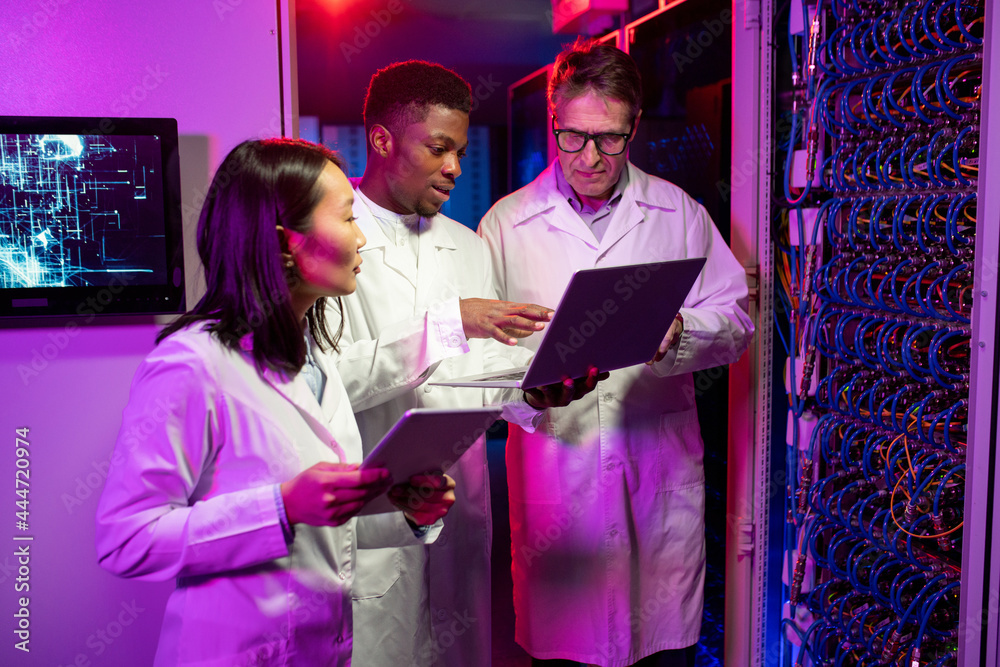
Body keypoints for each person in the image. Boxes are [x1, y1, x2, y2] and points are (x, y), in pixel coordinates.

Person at [94, 138, 457, 666]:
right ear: (287, 241)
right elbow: (126, 540)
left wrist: (406, 511)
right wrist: (280, 507)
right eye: (349, 217)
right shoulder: (191, 365)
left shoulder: (315, 360)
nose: (361, 239)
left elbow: (322, 535)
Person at [478, 40, 755, 667]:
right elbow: (474, 364)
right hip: (559, 484)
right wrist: (526, 396)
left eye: (611, 139)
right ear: (555, 121)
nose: (590, 158)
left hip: (655, 487)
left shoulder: (677, 212)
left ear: (634, 127)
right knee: (565, 650)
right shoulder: (505, 224)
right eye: (573, 138)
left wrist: (678, 331)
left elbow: (738, 320)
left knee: (662, 652)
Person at [327, 60, 603, 666]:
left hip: (461, 506)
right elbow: (325, 383)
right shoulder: (333, 240)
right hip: (375, 516)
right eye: (438, 147)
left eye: (460, 150)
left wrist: (531, 393)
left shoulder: (468, 245)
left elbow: (478, 378)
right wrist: (452, 323)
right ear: (381, 140)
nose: (454, 166)